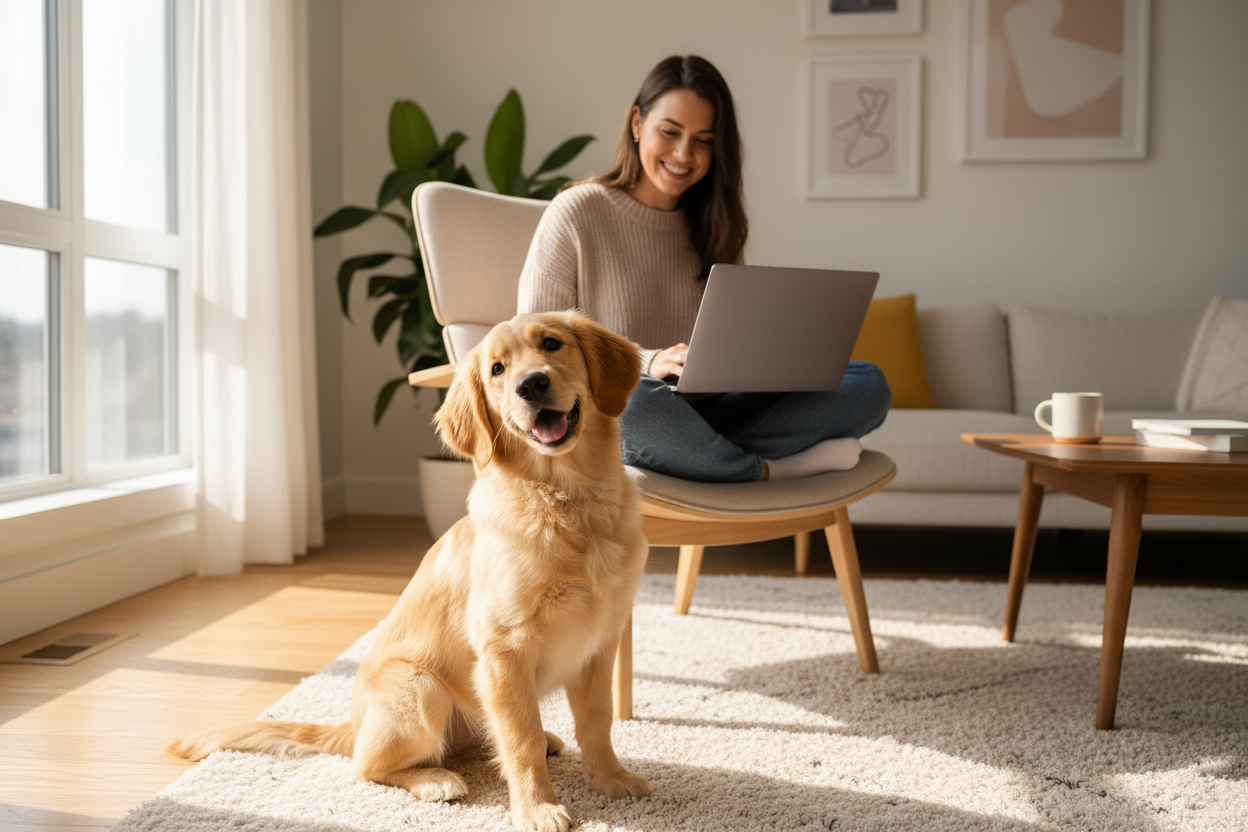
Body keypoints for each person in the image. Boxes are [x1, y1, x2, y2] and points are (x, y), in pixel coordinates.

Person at [517, 55, 890, 483]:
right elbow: (536, 346)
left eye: (703, 140)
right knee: (635, 404)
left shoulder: (714, 225)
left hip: (707, 412)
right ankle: (768, 469)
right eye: (670, 132)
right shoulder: (578, 211)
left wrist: (760, 360)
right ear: (637, 122)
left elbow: (726, 343)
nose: (683, 154)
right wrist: (647, 361)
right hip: (636, 408)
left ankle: (704, 459)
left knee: (868, 383)